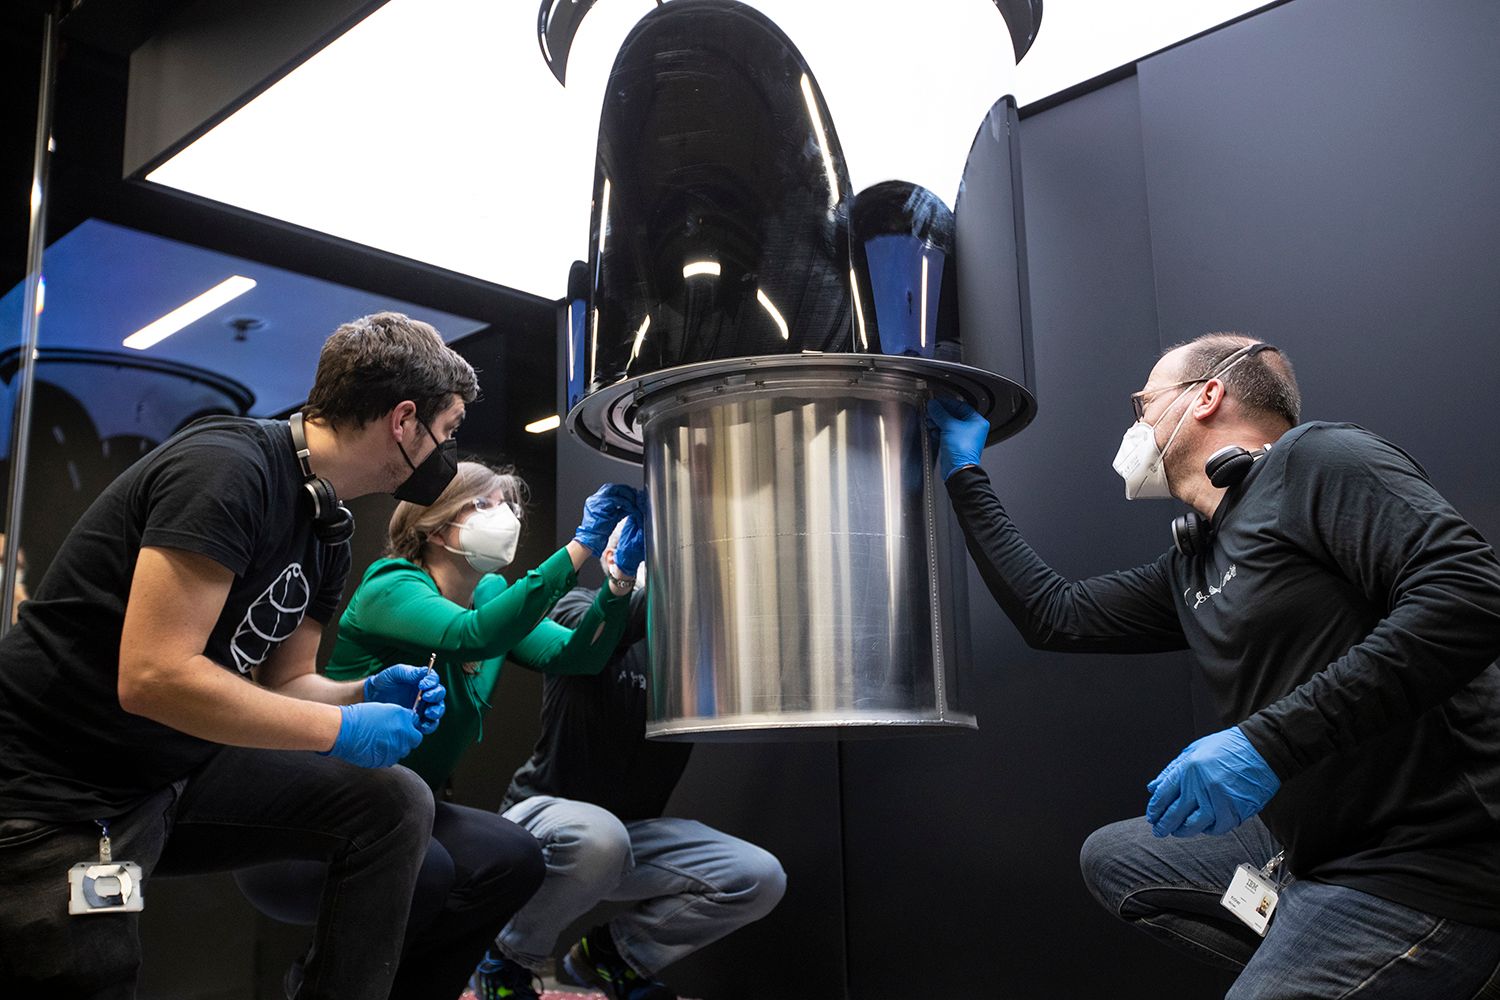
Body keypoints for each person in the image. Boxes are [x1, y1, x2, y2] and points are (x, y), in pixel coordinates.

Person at [927, 333, 1500, 999]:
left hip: (1431, 860)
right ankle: (1315, 935)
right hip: (1317, 851)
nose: (1137, 425)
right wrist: (963, 473)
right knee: (1118, 857)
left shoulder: (1319, 461)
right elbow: (1054, 613)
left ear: (1207, 396)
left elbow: (1471, 596)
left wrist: (1266, 745)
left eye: (1145, 404)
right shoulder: (1197, 560)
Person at [0, 312, 492, 1000]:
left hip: (169, 775)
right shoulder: (227, 469)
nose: (449, 448)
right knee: (89, 975)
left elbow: (287, 682)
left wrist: (361, 694)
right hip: (60, 789)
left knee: (393, 802)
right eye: (448, 429)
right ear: (403, 420)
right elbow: (155, 677)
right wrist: (342, 731)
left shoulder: (327, 525)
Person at [235, 461, 644, 998]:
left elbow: (575, 657)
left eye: (508, 504)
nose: (507, 516)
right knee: (429, 872)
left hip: (408, 809)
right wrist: (580, 548)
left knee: (513, 860)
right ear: (433, 526)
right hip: (320, 812)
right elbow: (470, 635)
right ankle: (322, 980)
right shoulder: (392, 586)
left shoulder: (489, 596)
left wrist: (615, 586)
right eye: (484, 504)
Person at [470, 522, 787, 1000]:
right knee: (600, 836)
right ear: (615, 553)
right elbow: (604, 627)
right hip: (540, 820)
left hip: (630, 834)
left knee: (757, 877)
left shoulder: (685, 651)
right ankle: (505, 959)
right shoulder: (575, 609)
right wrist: (658, 577)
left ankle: (613, 956)